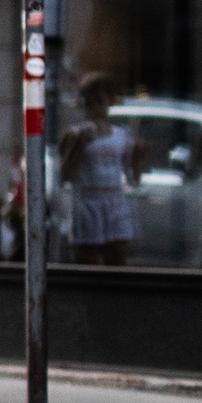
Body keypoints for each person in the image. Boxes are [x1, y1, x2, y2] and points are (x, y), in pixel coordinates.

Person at [58, 71, 137, 265]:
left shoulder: (122, 136)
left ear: (109, 101)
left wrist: (137, 159)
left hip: (114, 201)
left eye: (99, 102)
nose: (94, 109)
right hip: (88, 201)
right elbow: (64, 175)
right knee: (89, 260)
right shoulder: (75, 135)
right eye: (89, 103)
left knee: (117, 259)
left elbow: (133, 176)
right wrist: (78, 148)